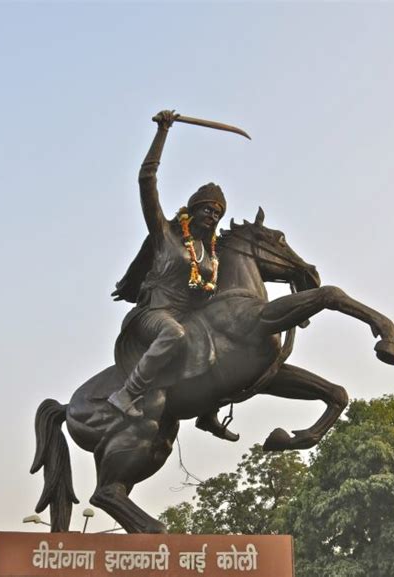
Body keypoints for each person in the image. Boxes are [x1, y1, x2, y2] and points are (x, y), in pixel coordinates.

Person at [108, 110, 238, 442]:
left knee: (231, 341)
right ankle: (127, 393)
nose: (212, 216)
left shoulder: (210, 254)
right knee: (175, 334)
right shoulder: (165, 233)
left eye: (217, 213)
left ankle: (208, 412)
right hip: (153, 314)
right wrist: (163, 132)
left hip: (189, 314)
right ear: (192, 210)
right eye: (207, 209)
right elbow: (146, 180)